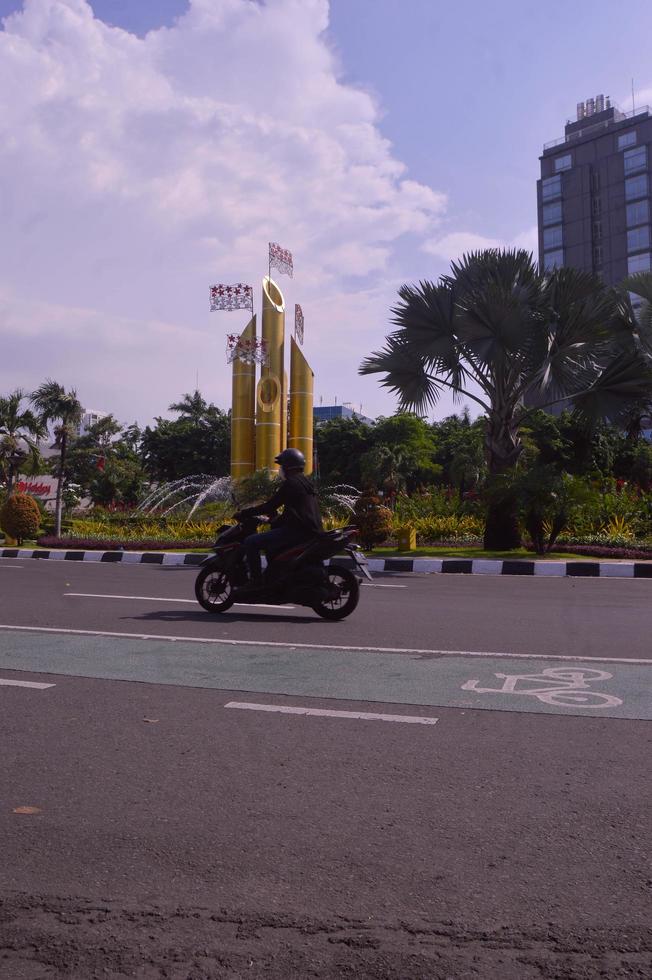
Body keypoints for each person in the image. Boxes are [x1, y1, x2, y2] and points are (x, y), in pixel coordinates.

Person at [237, 448, 322, 588]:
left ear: (288, 466)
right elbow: (296, 510)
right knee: (272, 547)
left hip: (296, 532)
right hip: (312, 531)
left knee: (251, 542)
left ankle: (255, 581)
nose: (280, 468)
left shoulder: (291, 483)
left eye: (281, 465)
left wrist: (245, 513)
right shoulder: (306, 483)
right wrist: (276, 520)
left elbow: (269, 506)